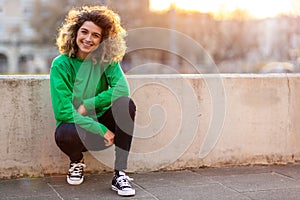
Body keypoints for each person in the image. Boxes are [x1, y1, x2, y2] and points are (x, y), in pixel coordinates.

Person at [49, 5, 136, 197]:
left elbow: (122, 90)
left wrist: (87, 105)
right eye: (84, 32)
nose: (88, 39)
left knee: (126, 104)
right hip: (78, 132)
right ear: (75, 33)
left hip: (103, 127)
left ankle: (120, 173)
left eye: (96, 35)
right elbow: (63, 111)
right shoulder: (61, 64)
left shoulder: (108, 61)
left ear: (103, 41)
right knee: (64, 131)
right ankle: (76, 161)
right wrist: (99, 129)